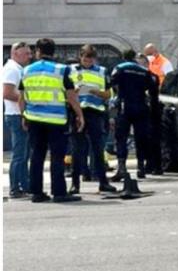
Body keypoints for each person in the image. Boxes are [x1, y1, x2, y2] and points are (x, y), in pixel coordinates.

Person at [19, 38, 84, 203]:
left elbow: (21, 97)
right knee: (57, 156)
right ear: (53, 52)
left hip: (34, 119)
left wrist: (23, 115)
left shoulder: (27, 70)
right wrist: (79, 115)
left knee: (36, 155)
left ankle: (36, 192)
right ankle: (59, 193)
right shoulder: (62, 70)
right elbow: (71, 96)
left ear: (37, 52)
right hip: (56, 120)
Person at [69, 45, 117, 194]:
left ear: (94, 59)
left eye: (90, 59)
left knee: (98, 149)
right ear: (80, 57)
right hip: (77, 112)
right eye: (85, 59)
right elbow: (66, 91)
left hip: (95, 112)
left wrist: (98, 93)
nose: (87, 62)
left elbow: (109, 94)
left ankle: (103, 182)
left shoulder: (102, 71)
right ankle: (75, 183)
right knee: (77, 149)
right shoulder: (71, 70)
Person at [110, 49, 158, 187]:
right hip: (141, 106)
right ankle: (141, 167)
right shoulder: (143, 71)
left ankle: (122, 167)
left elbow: (111, 82)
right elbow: (152, 88)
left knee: (121, 138)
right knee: (140, 138)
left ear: (123, 57)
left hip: (125, 106)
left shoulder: (120, 68)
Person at [3, 42, 32, 198]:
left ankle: (24, 185)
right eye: (25, 53)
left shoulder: (17, 69)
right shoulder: (12, 69)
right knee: (19, 154)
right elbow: (7, 93)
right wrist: (27, 101)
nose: (29, 56)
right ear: (15, 53)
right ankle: (15, 187)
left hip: (19, 113)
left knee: (24, 153)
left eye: (29, 53)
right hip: (15, 115)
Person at [137, 53, 163, 176]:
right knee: (142, 140)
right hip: (141, 111)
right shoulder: (135, 77)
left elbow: (152, 92)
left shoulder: (153, 76)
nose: (140, 66)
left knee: (155, 140)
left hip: (152, 111)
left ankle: (157, 165)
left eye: (142, 64)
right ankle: (146, 164)